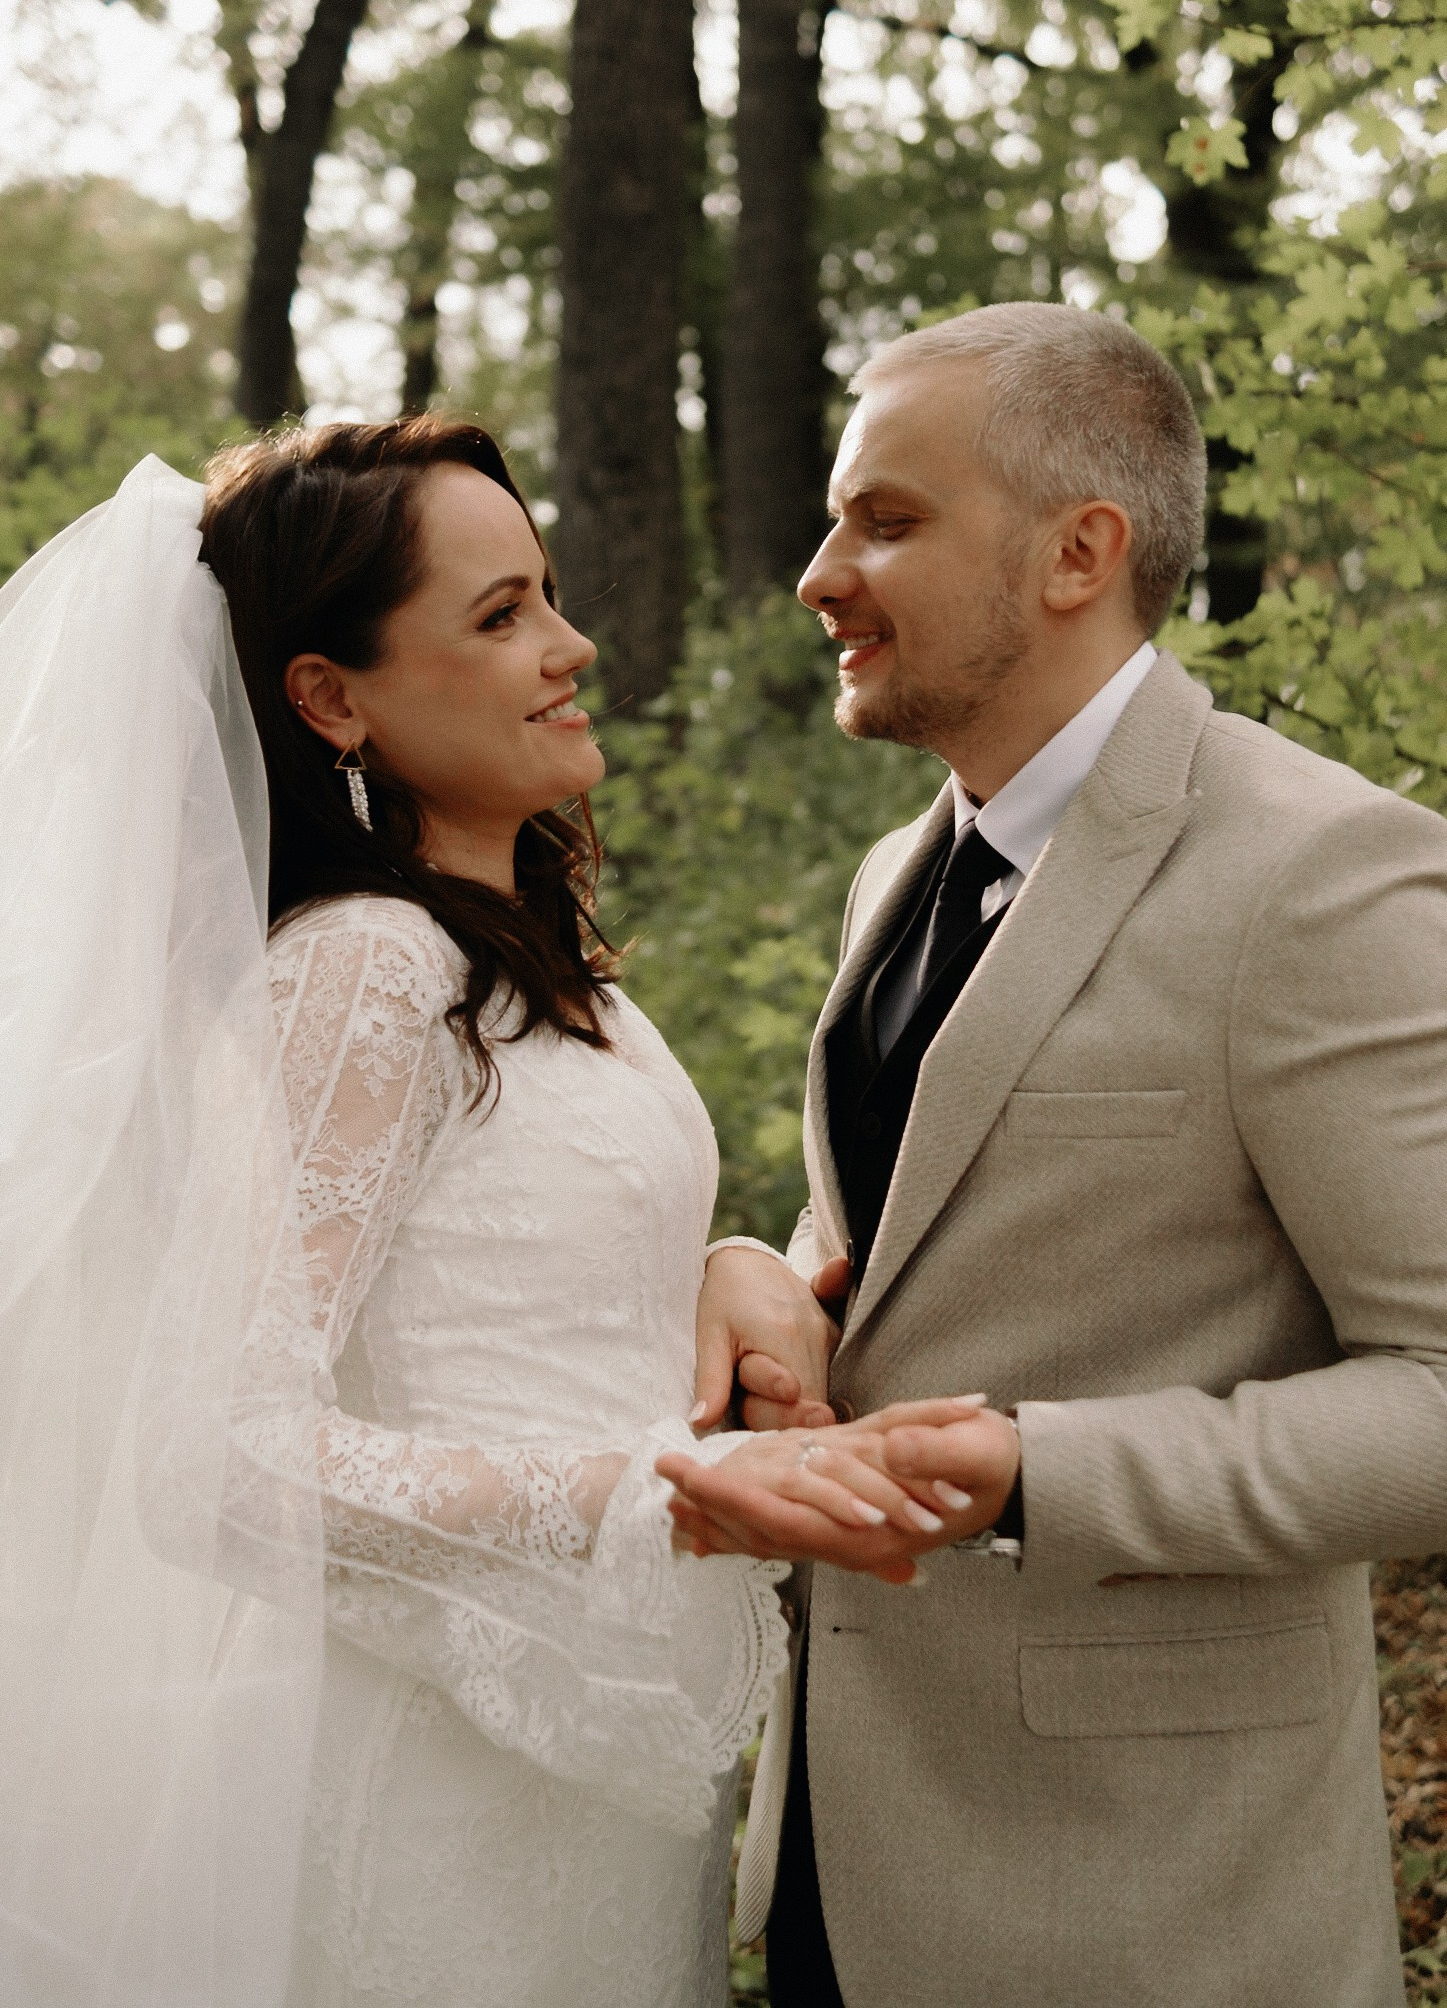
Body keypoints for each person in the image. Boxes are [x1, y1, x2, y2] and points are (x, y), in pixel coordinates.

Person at [0, 421, 977, 2008]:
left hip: (581, 1787)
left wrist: (727, 1267)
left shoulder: (523, 965)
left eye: (549, 594)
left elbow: (515, 1275)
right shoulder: (365, 969)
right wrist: (657, 1493)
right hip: (431, 1796)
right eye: (501, 614)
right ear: (333, 698)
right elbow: (215, 1457)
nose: (570, 646)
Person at [659, 302, 1447, 2008]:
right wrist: (771, 1280)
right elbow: (920, 1239)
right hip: (848, 1862)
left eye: (885, 520)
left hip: (1155, 1908)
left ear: (1079, 551)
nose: (819, 576)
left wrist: (1041, 1473)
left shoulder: (1325, 873)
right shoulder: (896, 872)